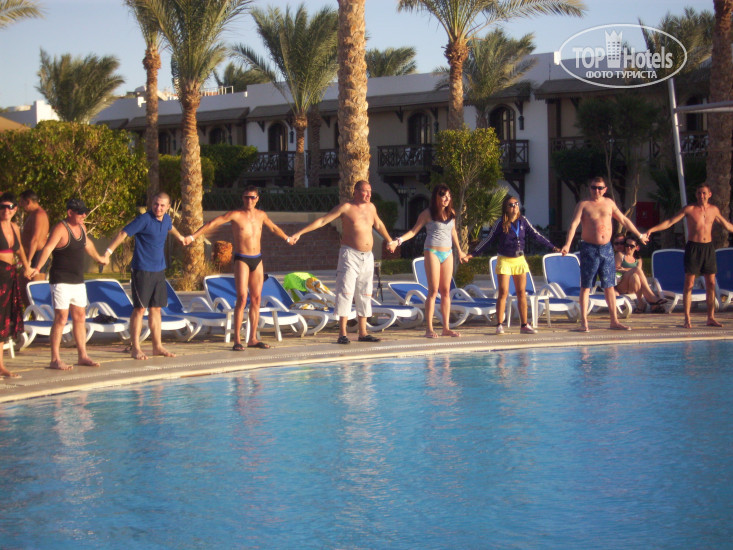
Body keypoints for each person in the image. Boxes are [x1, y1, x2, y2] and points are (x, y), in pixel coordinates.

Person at [185, 186, 294, 351]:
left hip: (257, 259)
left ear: (257, 199)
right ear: (242, 198)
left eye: (252, 197)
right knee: (242, 298)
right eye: (246, 197)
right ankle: (237, 339)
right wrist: (193, 237)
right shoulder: (235, 214)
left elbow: (273, 228)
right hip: (242, 258)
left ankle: (253, 338)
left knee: (256, 299)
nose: (249, 200)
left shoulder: (261, 215)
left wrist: (287, 238)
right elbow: (212, 223)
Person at [290, 180, 393, 344]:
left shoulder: (371, 207)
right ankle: (342, 333)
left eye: (370, 191)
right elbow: (323, 220)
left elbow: (378, 224)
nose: (368, 194)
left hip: (367, 256)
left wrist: (389, 240)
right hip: (350, 255)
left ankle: (363, 332)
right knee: (346, 292)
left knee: (365, 293)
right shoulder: (346, 207)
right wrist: (300, 233)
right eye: (365, 191)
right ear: (356, 192)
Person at [104, 192, 185, 360]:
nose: (158, 208)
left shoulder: (167, 219)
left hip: (159, 270)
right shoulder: (144, 219)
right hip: (142, 270)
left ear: (168, 207)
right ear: (151, 203)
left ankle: (157, 346)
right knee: (140, 309)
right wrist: (108, 252)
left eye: (162, 205)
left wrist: (180, 237)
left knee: (156, 309)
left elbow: (170, 227)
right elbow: (123, 233)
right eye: (156, 204)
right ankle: (135, 348)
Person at [561, 177, 648, 332]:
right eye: (594, 187)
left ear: (605, 189)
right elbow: (574, 225)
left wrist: (639, 235)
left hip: (606, 249)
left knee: (609, 286)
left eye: (600, 188)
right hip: (589, 249)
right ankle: (584, 323)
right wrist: (567, 244)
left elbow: (624, 220)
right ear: (589, 188)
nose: (597, 190)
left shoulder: (609, 203)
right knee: (586, 286)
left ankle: (614, 321)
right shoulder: (584, 204)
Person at [32, 198, 109, 371]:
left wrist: (99, 258)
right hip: (61, 280)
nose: (84, 215)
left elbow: (87, 244)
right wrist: (37, 268)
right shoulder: (60, 228)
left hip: (78, 281)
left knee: (80, 317)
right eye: (80, 212)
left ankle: (83, 356)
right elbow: (48, 248)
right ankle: (55, 359)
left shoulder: (82, 227)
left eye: (84, 212)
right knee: (61, 318)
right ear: (70, 213)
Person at [642, 183, 733, 328]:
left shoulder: (714, 210)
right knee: (689, 283)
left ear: (709, 194)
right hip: (693, 248)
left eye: (704, 193)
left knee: (711, 283)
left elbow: (727, 225)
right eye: (698, 193)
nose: (701, 196)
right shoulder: (689, 209)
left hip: (708, 248)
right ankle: (687, 319)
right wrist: (651, 230)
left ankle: (711, 317)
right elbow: (670, 222)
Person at [388, 184, 469, 338]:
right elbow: (413, 231)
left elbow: (453, 232)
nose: (446, 199)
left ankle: (446, 328)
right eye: (443, 195)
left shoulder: (451, 213)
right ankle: (429, 329)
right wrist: (398, 241)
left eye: (448, 196)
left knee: (446, 291)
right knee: (433, 291)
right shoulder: (427, 214)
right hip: (432, 252)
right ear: (436, 197)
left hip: (448, 253)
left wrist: (459, 251)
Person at [471, 194, 559, 335]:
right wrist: (473, 253)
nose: (514, 207)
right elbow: (488, 239)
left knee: (521, 292)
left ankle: (524, 325)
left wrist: (553, 247)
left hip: (519, 260)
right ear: (506, 208)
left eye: (516, 204)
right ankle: (499, 324)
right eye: (511, 205)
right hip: (504, 260)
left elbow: (537, 235)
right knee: (503, 292)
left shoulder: (523, 221)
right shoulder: (500, 223)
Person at [0, 193, 34, 378]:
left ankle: (1, 365)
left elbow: (19, 248)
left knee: (4, 320)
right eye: (2, 206)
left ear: (15, 209)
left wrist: (26, 266)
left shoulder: (14, 227)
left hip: (10, 275)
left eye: (10, 207)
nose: (6, 210)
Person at [614, 233, 666, 313]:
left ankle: (641, 303)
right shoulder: (620, 255)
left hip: (633, 286)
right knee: (637, 270)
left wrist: (625, 269)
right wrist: (630, 270)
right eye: (627, 245)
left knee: (635, 276)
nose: (628, 247)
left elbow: (639, 276)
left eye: (631, 246)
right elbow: (616, 271)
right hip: (621, 285)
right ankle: (651, 297)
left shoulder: (638, 260)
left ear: (637, 247)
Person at [19, 190, 49, 282]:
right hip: (32, 255)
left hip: (37, 256)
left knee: (35, 285)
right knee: (24, 285)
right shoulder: (33, 214)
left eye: (22, 202)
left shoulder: (39, 215)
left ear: (28, 201)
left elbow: (35, 239)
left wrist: (29, 261)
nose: (20, 205)